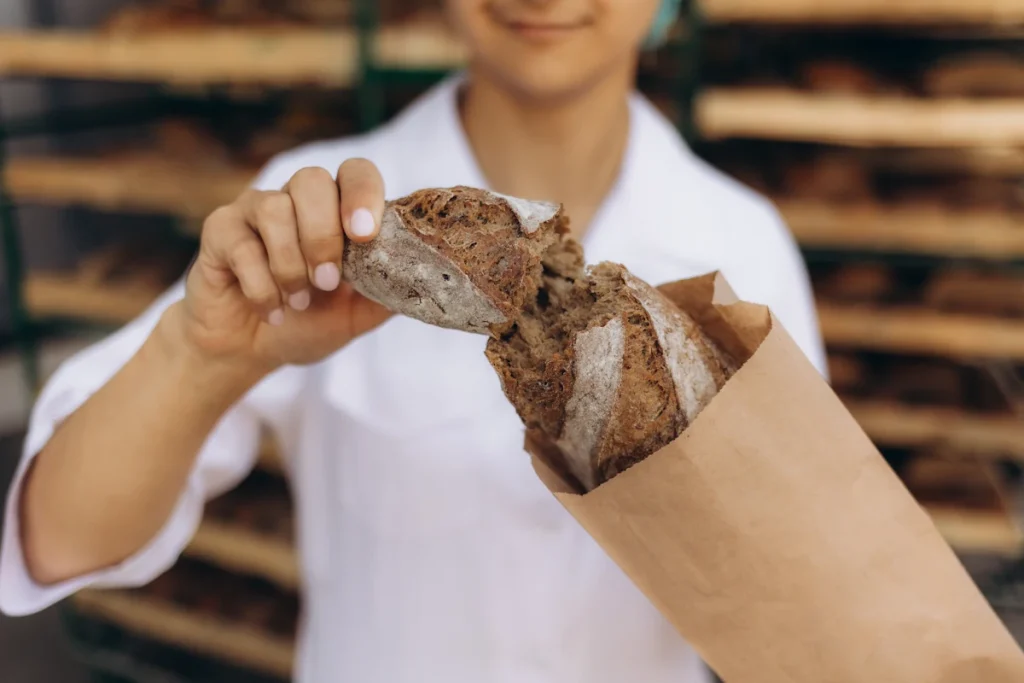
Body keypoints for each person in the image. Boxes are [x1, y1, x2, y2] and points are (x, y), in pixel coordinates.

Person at [0, 1, 827, 681]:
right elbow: (59, 539)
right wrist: (205, 357)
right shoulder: (314, 222)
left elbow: (798, 567)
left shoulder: (745, 244)